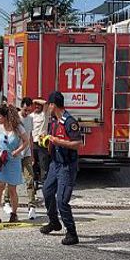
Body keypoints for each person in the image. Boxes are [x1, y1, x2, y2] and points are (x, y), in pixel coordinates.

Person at [39, 91, 83, 246]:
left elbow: (78, 144)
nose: (47, 108)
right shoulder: (54, 121)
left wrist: (59, 142)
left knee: (62, 200)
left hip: (67, 166)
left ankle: (72, 233)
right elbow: (52, 138)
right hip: (55, 164)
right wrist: (45, 138)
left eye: (48, 105)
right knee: (47, 191)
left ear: (53, 105)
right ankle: (54, 222)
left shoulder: (69, 121)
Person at [0, 105, 29, 223]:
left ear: (6, 117)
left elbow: (26, 141)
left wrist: (18, 151)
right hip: (2, 160)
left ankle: (14, 213)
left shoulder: (18, 128)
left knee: (12, 189)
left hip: (13, 160)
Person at [18, 98, 37, 219]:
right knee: (12, 180)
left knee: (30, 179)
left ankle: (32, 205)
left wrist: (32, 154)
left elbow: (30, 136)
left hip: (26, 153)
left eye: (29, 111)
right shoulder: (16, 118)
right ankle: (7, 200)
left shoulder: (30, 119)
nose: (27, 113)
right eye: (25, 110)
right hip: (16, 152)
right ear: (21, 107)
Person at [30, 99, 49, 185]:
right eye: (36, 105)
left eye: (39, 105)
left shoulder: (44, 115)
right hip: (32, 142)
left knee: (43, 163)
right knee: (33, 163)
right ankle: (35, 181)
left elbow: (46, 104)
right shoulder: (31, 116)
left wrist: (35, 100)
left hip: (41, 143)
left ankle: (44, 182)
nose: (37, 106)